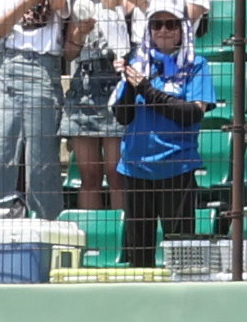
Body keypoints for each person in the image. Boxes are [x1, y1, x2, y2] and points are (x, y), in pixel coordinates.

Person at [110, 4, 211, 261]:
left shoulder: (196, 65)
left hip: (177, 168)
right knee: (139, 256)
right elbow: (123, 116)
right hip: (136, 169)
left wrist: (146, 89)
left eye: (171, 24)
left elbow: (192, 113)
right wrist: (132, 86)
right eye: (157, 25)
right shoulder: (137, 63)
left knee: (181, 255)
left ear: (182, 30)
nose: (163, 30)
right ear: (149, 30)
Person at [0, 0, 69, 216]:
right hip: (8, 64)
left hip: (44, 66)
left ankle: (47, 231)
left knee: (42, 161)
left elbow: (61, 7)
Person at [63, 0, 141, 212]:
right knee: (89, 175)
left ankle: (120, 238)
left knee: (116, 173)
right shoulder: (81, 3)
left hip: (116, 82)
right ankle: (90, 240)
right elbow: (69, 52)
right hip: (85, 86)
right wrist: (82, 31)